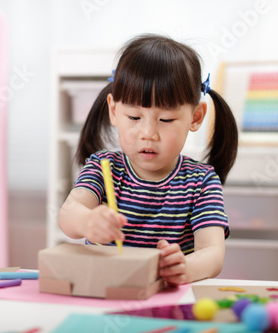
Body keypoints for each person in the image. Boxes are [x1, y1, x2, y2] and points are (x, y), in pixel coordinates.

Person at [58, 34, 238, 286]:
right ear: (113, 110)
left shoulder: (201, 182)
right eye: (133, 117)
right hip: (105, 290)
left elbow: (213, 253)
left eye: (166, 120)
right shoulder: (103, 167)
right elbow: (68, 216)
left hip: (165, 298)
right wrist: (88, 222)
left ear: (195, 117)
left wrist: (185, 267)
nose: (148, 134)